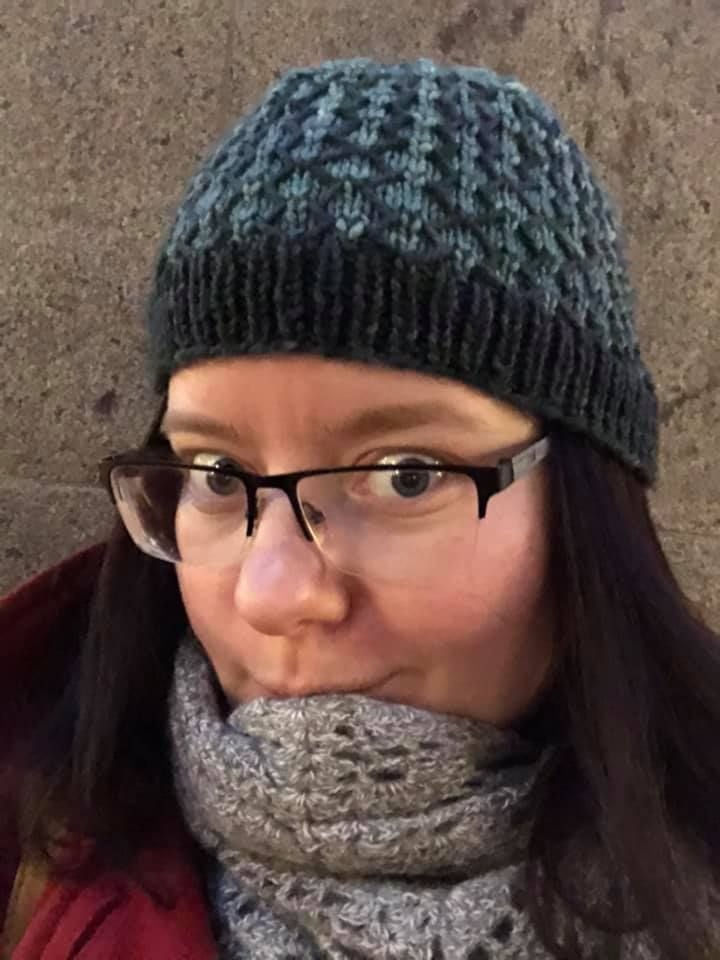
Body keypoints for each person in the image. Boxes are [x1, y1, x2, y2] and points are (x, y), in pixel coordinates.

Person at [1, 56, 718, 960]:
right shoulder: (32, 857)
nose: (275, 593)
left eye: (407, 475)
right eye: (217, 475)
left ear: (586, 511)